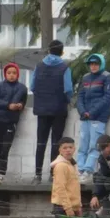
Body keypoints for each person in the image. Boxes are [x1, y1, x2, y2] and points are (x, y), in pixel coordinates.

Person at [31, 39, 73, 184]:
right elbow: (68, 90)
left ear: (49, 50)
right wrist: (67, 101)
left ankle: (37, 175)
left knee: (40, 142)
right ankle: (53, 174)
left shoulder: (39, 66)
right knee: (56, 142)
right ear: (62, 52)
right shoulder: (64, 67)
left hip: (42, 109)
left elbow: (33, 86)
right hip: (59, 109)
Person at [75, 53, 110, 183]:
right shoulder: (86, 77)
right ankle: (80, 170)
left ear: (101, 64)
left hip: (98, 117)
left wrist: (92, 112)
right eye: (91, 64)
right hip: (85, 117)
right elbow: (80, 96)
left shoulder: (107, 77)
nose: (93, 66)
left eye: (96, 64)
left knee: (94, 145)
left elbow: (108, 98)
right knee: (83, 145)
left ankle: (88, 170)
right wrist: (82, 111)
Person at [0, 62, 28, 184]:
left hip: (11, 122)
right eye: (9, 73)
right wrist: (8, 105)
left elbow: (23, 102)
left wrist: (20, 105)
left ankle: (1, 174)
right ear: (5, 74)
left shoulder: (22, 88)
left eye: (14, 73)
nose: (11, 75)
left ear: (18, 75)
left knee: (5, 149)